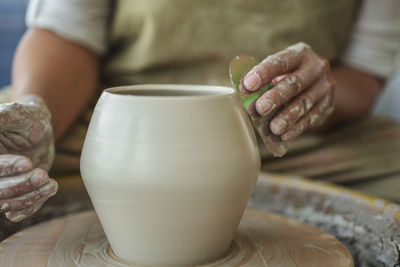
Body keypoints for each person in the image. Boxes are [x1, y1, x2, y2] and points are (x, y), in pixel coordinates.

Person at [0, 0, 399, 223]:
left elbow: (364, 71)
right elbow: (67, 34)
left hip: (292, 133)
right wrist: (40, 113)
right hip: (119, 129)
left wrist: (320, 93)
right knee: (9, 166)